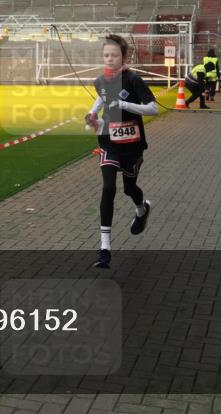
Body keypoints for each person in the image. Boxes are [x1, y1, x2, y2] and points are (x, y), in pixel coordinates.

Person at [84, 34, 158, 269]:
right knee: (108, 187)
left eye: (114, 55)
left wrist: (125, 105)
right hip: (108, 142)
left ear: (124, 57)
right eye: (106, 55)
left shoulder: (134, 79)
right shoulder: (101, 81)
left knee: (129, 188)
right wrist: (91, 116)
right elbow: (100, 101)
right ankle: (105, 249)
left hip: (133, 145)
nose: (109, 59)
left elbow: (153, 108)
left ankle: (142, 208)